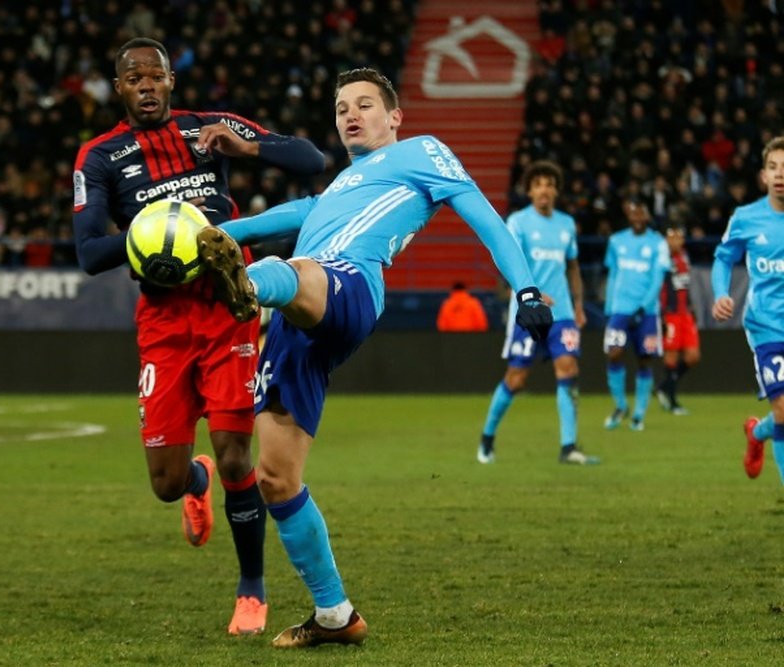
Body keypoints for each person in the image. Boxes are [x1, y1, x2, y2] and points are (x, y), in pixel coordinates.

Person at [195, 67, 553, 648]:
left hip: (348, 284)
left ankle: (249, 288)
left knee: (295, 270)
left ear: (395, 117)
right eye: (341, 109)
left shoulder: (422, 153)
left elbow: (484, 216)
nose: (351, 115)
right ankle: (335, 615)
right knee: (275, 479)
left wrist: (528, 287)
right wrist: (215, 231)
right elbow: (288, 216)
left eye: (364, 104)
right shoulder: (339, 185)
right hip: (297, 322)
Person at [71, 38, 325, 634]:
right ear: (120, 89)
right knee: (165, 483)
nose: (147, 86)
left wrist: (249, 145)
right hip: (164, 324)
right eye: (134, 79)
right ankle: (196, 480)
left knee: (241, 453)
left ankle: (252, 591)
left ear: (171, 81)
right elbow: (88, 252)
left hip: (227, 307)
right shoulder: (100, 156)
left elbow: (312, 160)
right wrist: (157, 235)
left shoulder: (207, 128)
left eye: (155, 76)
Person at [478, 160, 596, 465]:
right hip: (528, 313)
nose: (544, 189)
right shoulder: (518, 222)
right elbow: (507, 260)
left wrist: (579, 306)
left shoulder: (567, 224)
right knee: (516, 379)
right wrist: (528, 290)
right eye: (538, 184)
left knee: (568, 369)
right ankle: (487, 437)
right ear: (530, 191)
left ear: (556, 191)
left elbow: (572, 268)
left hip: (564, 314)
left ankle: (568, 447)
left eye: (549, 184)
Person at [711, 136, 784, 484]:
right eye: (773, 167)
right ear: (763, 176)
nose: (780, 173)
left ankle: (756, 434)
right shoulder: (746, 218)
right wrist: (720, 294)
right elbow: (723, 258)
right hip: (766, 325)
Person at [602, 195, 670, 432]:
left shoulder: (658, 243)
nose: (637, 217)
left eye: (641, 212)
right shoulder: (616, 241)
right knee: (614, 354)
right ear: (628, 215)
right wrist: (609, 307)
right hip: (619, 310)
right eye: (633, 212)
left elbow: (658, 279)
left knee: (644, 359)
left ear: (647, 215)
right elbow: (612, 275)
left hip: (647, 313)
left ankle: (639, 414)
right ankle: (621, 406)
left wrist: (644, 306)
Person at [656, 224, 700, 415]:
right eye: (672, 237)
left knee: (692, 356)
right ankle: (672, 401)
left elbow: (685, 286)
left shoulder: (684, 256)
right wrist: (662, 314)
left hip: (685, 314)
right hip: (670, 313)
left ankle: (663, 387)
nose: (676, 241)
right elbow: (660, 288)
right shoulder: (661, 259)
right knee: (671, 357)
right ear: (665, 240)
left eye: (679, 237)